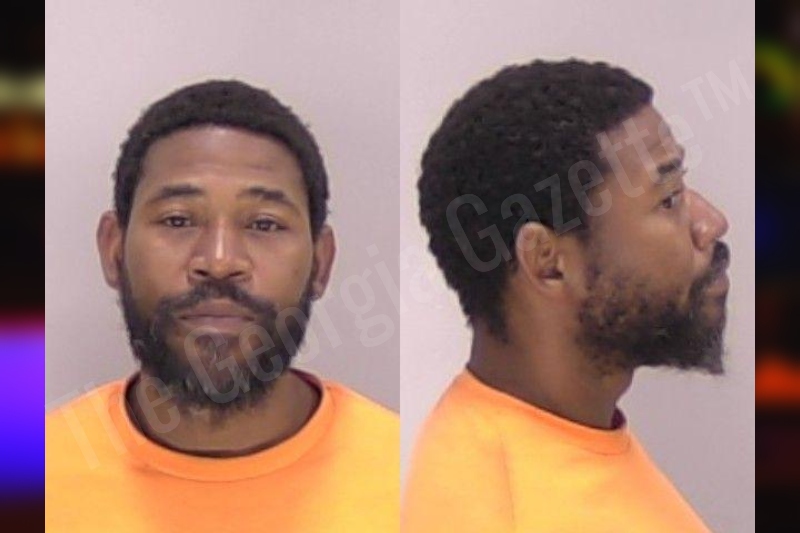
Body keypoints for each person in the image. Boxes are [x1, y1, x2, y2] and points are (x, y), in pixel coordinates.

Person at [46, 80, 398, 532]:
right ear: (113, 250)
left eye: (264, 224)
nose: (219, 261)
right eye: (178, 220)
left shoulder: (409, 483)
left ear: (321, 263)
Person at [402, 60, 729, 532]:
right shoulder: (500, 510)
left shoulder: (565, 436)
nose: (711, 223)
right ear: (548, 262)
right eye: (669, 198)